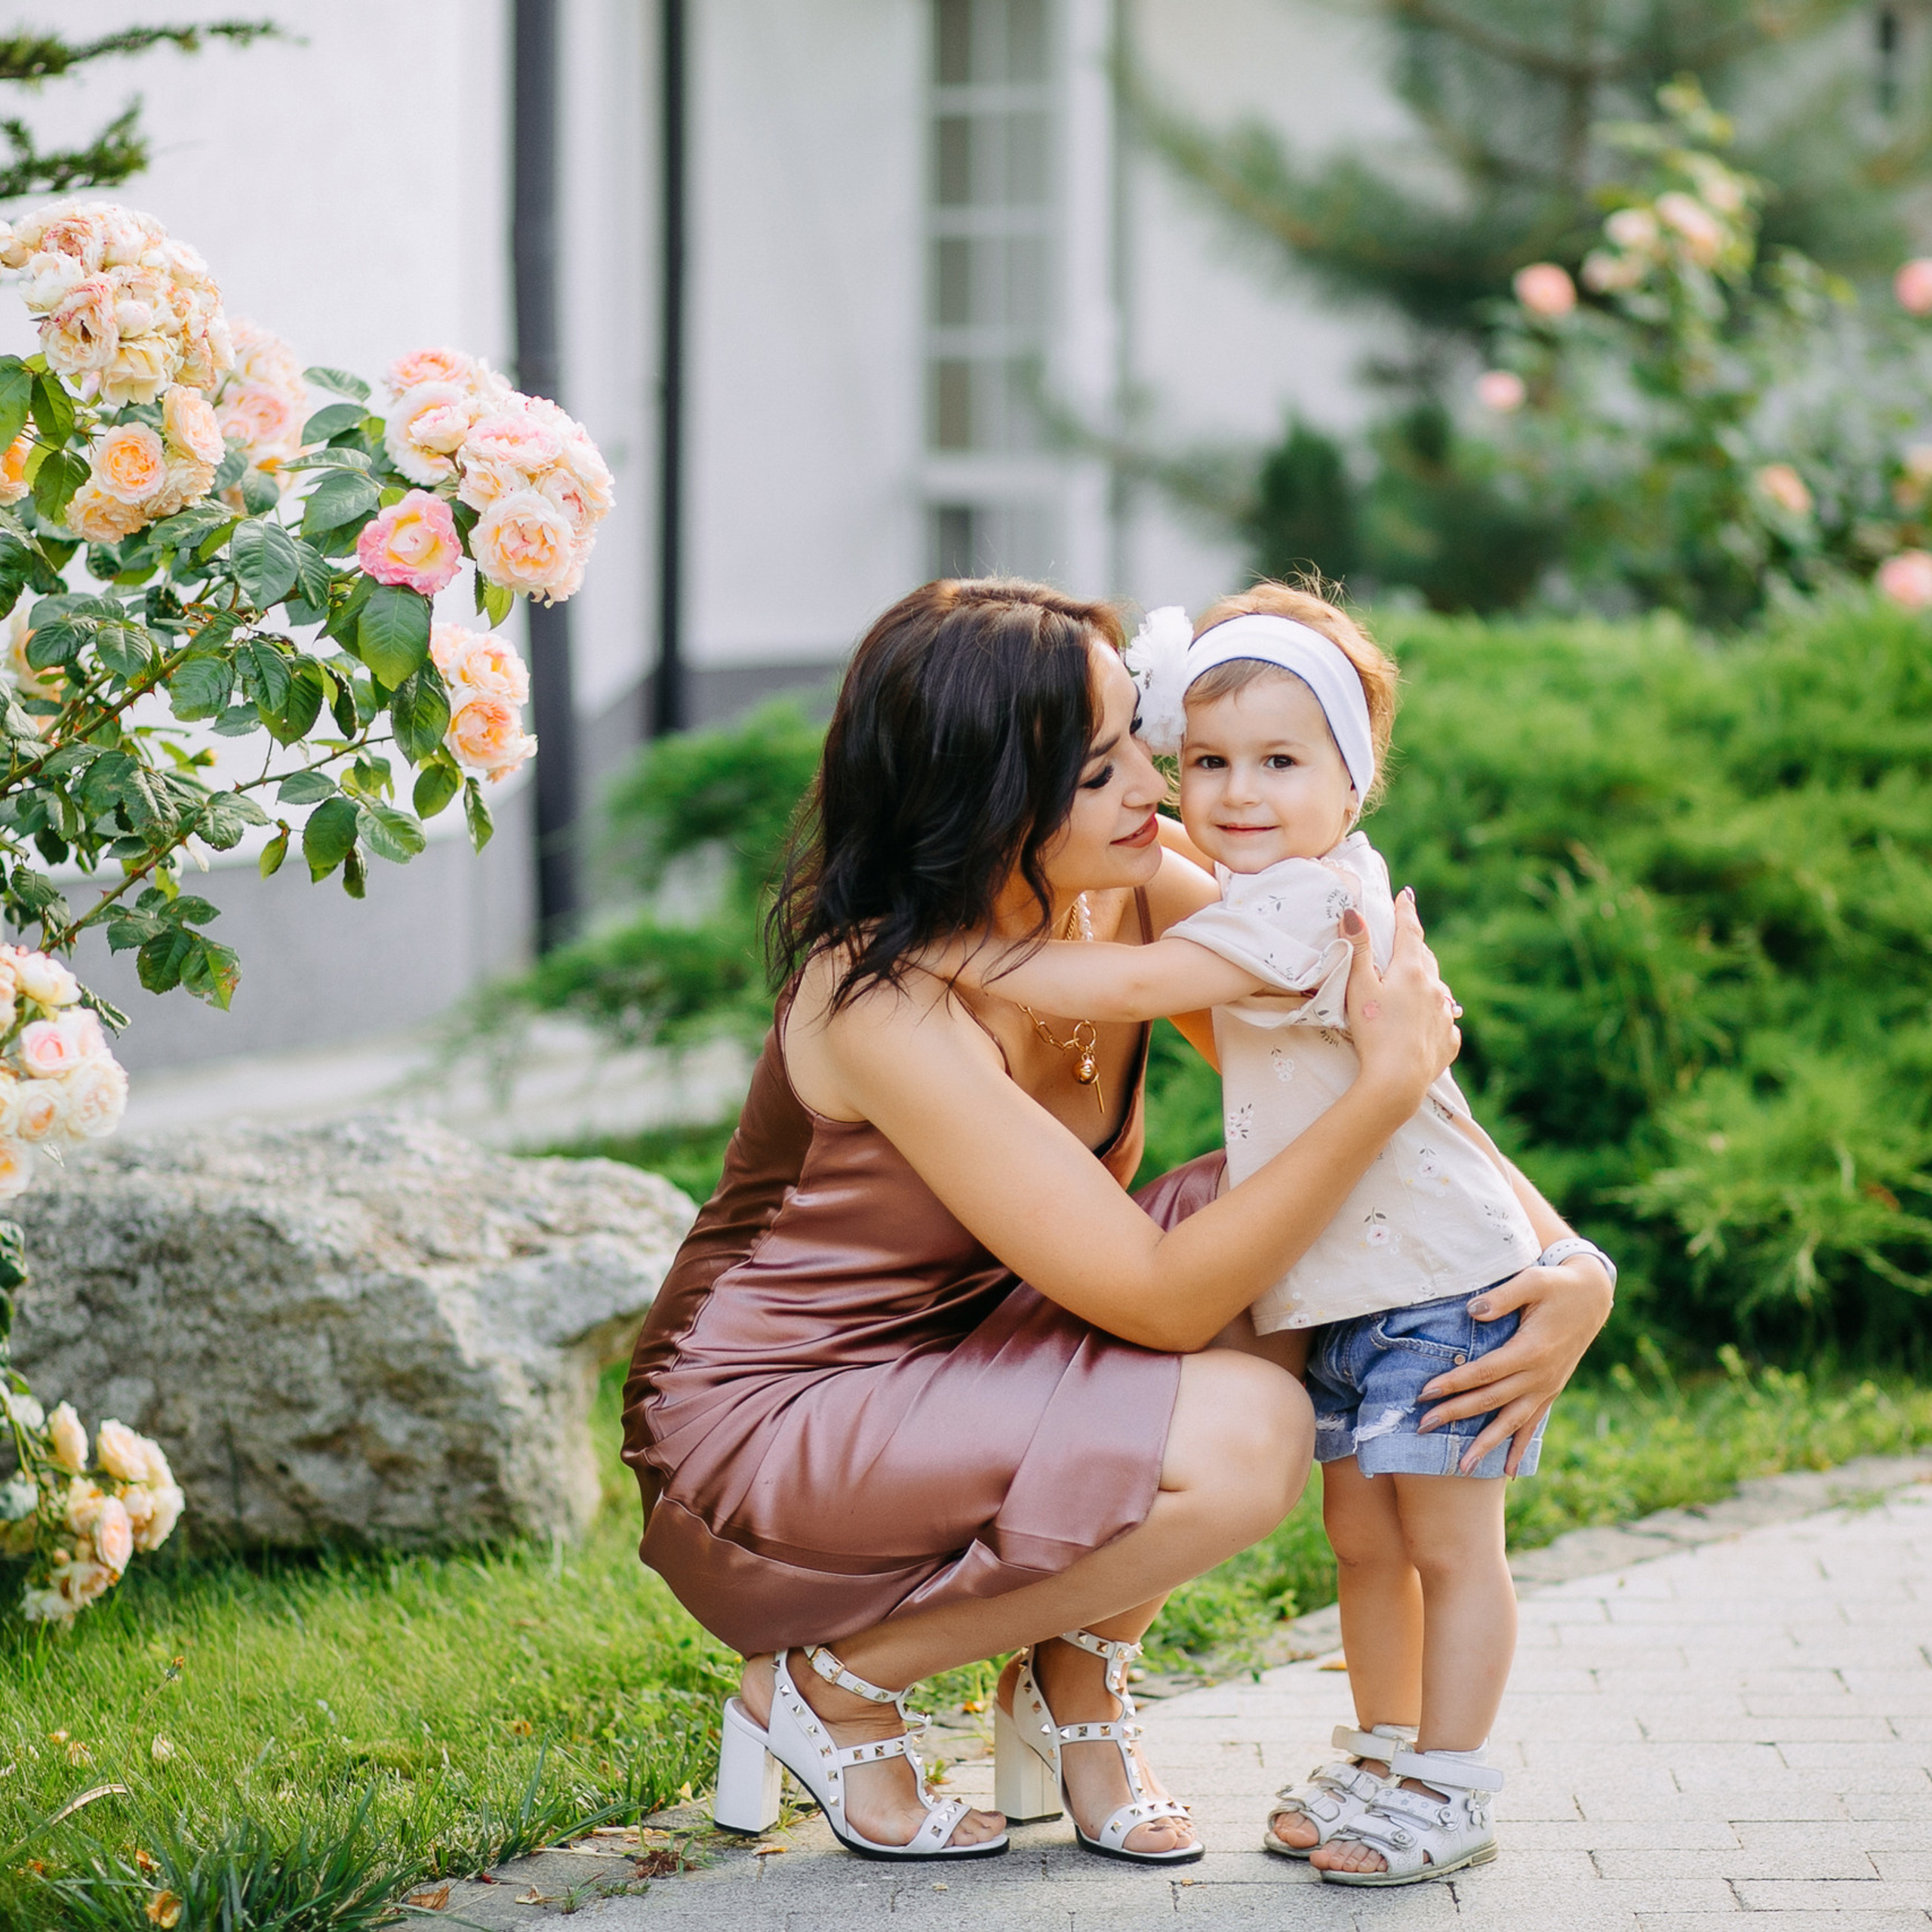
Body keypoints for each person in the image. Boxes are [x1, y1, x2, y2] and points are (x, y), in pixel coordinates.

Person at [620, 578, 1613, 1870]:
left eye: (1142, 738)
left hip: (978, 1358)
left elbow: (1381, 1074)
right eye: (1102, 769)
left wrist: (1563, 1259)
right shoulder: (882, 996)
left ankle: (1072, 1678)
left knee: (1272, 1216)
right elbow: (1167, 1298)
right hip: (777, 1423)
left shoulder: (1125, 895)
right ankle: (831, 1682)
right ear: (984, 798)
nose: (1159, 785)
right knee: (1250, 1431)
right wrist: (1376, 1093)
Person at [937, 580, 1618, 1885]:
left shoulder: (1304, 907)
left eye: (1281, 763)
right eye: (1207, 763)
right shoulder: (1261, 883)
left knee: (1451, 1547)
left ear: (1352, 787)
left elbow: (1138, 982)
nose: (1236, 794)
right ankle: (1384, 1750)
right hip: (1350, 1288)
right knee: (1364, 1541)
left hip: (1443, 1288)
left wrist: (949, 956)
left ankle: (1452, 1782)